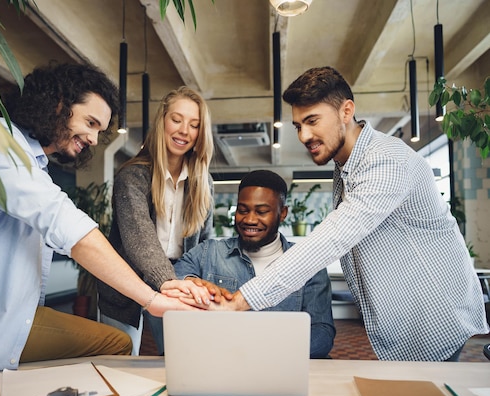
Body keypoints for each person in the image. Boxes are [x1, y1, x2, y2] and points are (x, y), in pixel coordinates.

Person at [0, 63, 211, 375]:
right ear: (59, 105)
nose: (95, 140)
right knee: (117, 343)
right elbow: (72, 230)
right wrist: (153, 298)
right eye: (90, 123)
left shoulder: (33, 160)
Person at [201, 66, 489, 361]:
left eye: (312, 121)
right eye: (298, 126)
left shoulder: (386, 160)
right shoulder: (346, 167)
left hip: (433, 319)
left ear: (346, 111)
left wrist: (240, 302)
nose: (304, 135)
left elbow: (330, 240)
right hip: (406, 324)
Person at [97, 86, 216, 355]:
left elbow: (203, 244)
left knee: (182, 358)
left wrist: (197, 284)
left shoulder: (204, 183)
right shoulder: (132, 176)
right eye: (176, 119)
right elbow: (139, 237)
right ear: (162, 121)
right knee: (119, 358)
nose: (184, 130)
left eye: (194, 125)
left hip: (177, 280)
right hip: (126, 282)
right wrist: (167, 282)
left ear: (200, 133)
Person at [173, 170, 336, 358]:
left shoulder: (308, 263)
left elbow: (322, 332)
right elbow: (173, 276)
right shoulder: (208, 252)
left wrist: (268, 355)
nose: (249, 219)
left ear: (282, 213)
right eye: (242, 210)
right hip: (220, 362)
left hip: (282, 367)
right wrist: (193, 283)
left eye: (261, 212)